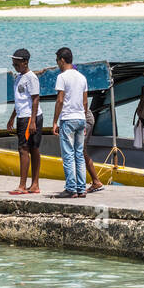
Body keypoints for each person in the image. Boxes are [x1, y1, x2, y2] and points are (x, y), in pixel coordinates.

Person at [50, 47, 88, 198]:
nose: (57, 63)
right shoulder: (82, 77)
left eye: (57, 60)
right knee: (79, 154)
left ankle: (71, 188)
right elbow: (85, 102)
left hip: (68, 118)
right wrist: (84, 120)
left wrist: (54, 121)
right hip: (80, 118)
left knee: (68, 155)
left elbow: (60, 100)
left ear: (62, 60)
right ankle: (82, 188)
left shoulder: (62, 77)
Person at [9, 48, 42, 195]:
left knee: (24, 149)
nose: (15, 66)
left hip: (30, 117)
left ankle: (23, 186)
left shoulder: (31, 77)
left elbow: (35, 99)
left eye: (17, 64)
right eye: (13, 64)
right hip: (22, 115)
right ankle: (34, 185)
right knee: (31, 148)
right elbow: (20, 100)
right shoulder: (19, 77)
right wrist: (12, 117)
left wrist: (33, 120)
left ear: (25, 62)